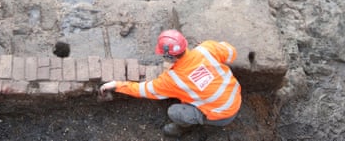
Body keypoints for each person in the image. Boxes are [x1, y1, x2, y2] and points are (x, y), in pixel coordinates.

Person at [99, 29, 241, 137]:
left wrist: (117, 85)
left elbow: (144, 90)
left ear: (168, 56)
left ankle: (183, 128)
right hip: (235, 97)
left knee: (175, 112)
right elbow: (231, 52)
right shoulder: (207, 48)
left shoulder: (173, 80)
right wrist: (216, 46)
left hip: (221, 116)